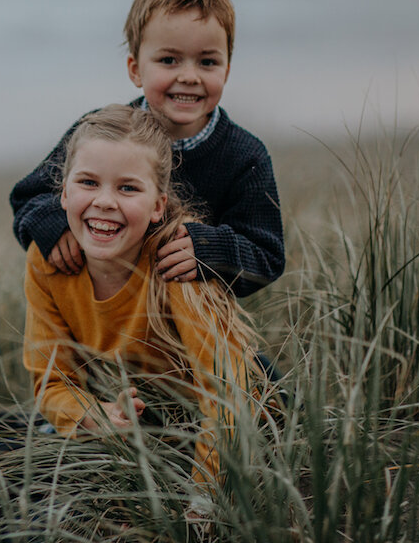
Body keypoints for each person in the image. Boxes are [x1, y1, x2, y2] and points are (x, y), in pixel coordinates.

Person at [23, 104, 265, 493]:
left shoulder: (179, 259)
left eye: (128, 188)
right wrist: (93, 415)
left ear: (158, 205)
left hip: (216, 431)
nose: (104, 201)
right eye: (88, 182)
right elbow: (51, 383)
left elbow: (228, 394)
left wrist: (202, 500)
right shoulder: (47, 261)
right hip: (134, 422)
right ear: (62, 194)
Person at [10, 0, 284, 300]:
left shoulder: (245, 157)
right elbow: (27, 197)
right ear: (135, 69)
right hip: (105, 318)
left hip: (189, 326)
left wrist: (210, 250)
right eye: (169, 60)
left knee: (251, 357)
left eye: (207, 62)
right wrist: (54, 226)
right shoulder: (102, 133)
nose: (188, 76)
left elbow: (267, 256)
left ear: (226, 70)